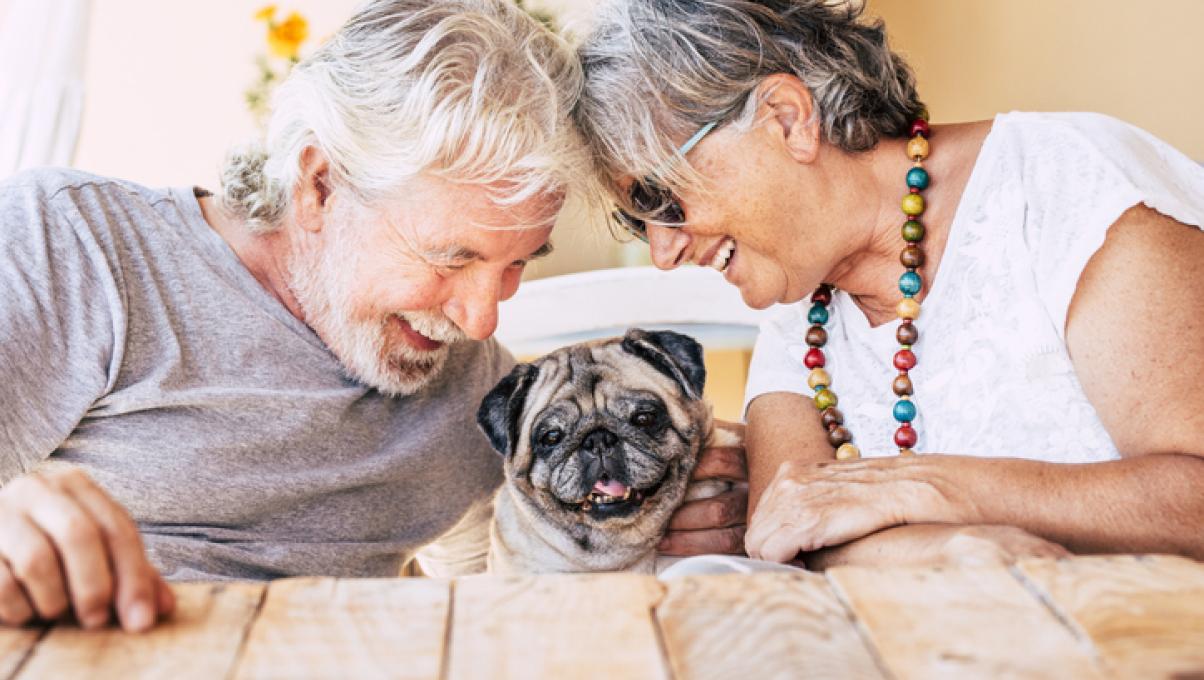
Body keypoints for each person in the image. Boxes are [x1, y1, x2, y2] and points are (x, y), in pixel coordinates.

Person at [0, 0, 599, 634]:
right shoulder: (70, 246)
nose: (481, 320)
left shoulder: (478, 392)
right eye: (451, 259)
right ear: (320, 185)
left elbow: (509, 588)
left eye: (516, 264)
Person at [573, 0, 1204, 570]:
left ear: (788, 120)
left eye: (661, 195)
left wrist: (930, 488)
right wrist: (946, 547)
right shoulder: (802, 314)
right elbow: (794, 535)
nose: (662, 250)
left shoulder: (1066, 185)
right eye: (638, 218)